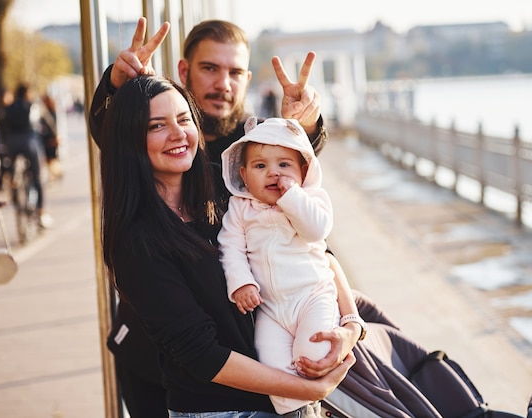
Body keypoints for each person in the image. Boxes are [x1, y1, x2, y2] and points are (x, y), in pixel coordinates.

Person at [90, 18, 379, 417]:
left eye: (235, 72)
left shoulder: (233, 176)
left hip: (263, 373)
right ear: (184, 72)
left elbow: (313, 248)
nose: (223, 83)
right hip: (174, 370)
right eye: (210, 68)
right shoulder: (143, 231)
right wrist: (118, 88)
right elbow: (120, 132)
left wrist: (349, 326)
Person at [218, 117, 363, 415]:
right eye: (260, 166)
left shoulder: (310, 199)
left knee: (312, 352)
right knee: (273, 368)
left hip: (312, 297)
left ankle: (318, 401)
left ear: (304, 170)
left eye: (284, 165)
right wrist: (241, 282)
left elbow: (316, 230)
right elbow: (230, 247)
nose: (273, 173)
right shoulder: (241, 209)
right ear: (244, 175)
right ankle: (300, 412)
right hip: (270, 309)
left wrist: (292, 196)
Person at [3, 82, 53, 228]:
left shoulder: (8, 108)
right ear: (27, 93)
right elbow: (48, 122)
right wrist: (54, 136)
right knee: (38, 176)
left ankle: (14, 188)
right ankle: (42, 211)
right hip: (30, 142)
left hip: (12, 143)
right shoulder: (33, 105)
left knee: (13, 169)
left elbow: (2, 127)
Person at [37, 94, 63, 181]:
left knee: (51, 158)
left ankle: (57, 173)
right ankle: (54, 174)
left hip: (50, 138)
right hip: (48, 138)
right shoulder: (48, 112)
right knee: (49, 158)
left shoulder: (49, 113)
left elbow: (52, 127)